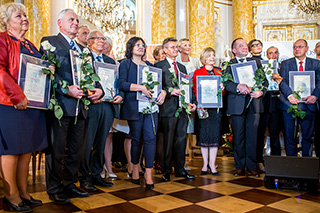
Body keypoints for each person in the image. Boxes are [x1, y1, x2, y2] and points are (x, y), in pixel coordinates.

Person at [40, 9, 103, 204]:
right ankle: (54, 187)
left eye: (76, 20)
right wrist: (66, 89)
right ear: (60, 22)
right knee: (57, 149)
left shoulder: (83, 49)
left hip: (81, 107)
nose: (75, 22)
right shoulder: (50, 42)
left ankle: (69, 183)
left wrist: (99, 89)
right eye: (71, 19)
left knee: (76, 149)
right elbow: (47, 72)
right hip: (61, 104)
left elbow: (92, 74)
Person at [0, 3, 47, 212]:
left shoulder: (29, 44)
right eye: (19, 16)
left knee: (26, 150)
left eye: (25, 15)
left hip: (32, 105)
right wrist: (17, 95)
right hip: (10, 103)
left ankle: (23, 191)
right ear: (7, 21)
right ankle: (11, 195)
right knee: (11, 151)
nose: (24, 18)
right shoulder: (2, 39)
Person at [118, 36, 166, 189]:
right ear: (130, 47)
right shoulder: (125, 64)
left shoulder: (150, 65)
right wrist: (141, 88)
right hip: (134, 106)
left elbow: (160, 85)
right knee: (136, 139)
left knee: (151, 138)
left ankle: (149, 174)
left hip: (151, 107)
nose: (140, 47)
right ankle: (135, 170)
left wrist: (163, 93)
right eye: (137, 45)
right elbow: (121, 84)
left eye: (142, 45)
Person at [78, 30, 123, 191]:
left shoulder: (109, 61)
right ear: (88, 41)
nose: (101, 41)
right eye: (97, 38)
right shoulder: (83, 58)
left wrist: (119, 95)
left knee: (101, 142)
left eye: (103, 38)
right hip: (91, 106)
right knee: (87, 143)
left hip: (107, 106)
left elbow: (118, 83)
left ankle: (96, 174)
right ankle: (84, 177)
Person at [155, 37, 197, 182]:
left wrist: (192, 102)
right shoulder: (159, 65)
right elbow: (156, 86)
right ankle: (166, 170)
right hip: (168, 108)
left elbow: (187, 86)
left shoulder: (182, 67)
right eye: (172, 47)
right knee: (168, 140)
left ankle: (180, 169)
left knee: (181, 139)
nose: (175, 49)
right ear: (165, 50)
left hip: (182, 108)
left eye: (176, 47)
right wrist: (169, 90)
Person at [224, 38, 266, 177]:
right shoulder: (228, 64)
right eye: (240, 46)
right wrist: (237, 87)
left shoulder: (256, 62)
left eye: (245, 45)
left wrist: (260, 91)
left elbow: (265, 82)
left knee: (253, 136)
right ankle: (239, 166)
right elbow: (226, 83)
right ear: (234, 50)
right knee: (238, 136)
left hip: (254, 104)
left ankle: (252, 166)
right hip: (237, 105)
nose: (244, 47)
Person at [279, 39, 320, 157]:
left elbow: (319, 81)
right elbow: (282, 81)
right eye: (295, 47)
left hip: (309, 104)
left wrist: (315, 96)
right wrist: (290, 96)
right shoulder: (286, 63)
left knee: (308, 137)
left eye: (300, 46)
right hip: (289, 104)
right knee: (290, 136)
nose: (297, 49)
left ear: (307, 49)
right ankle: (292, 166)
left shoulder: (316, 63)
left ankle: (306, 166)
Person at [192, 47, 222, 176]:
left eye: (213, 55)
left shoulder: (219, 72)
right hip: (203, 108)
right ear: (204, 58)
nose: (212, 57)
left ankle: (212, 164)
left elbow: (223, 93)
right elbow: (194, 90)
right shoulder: (198, 72)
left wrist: (222, 88)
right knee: (204, 135)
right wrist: (199, 103)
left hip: (216, 108)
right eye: (209, 55)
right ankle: (205, 164)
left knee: (214, 136)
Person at [254, 45, 282, 172]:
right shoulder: (261, 68)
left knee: (275, 134)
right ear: (267, 55)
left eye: (276, 52)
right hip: (263, 105)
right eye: (271, 53)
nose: (273, 55)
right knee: (260, 135)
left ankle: (277, 162)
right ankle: (259, 161)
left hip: (276, 106)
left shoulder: (282, 67)